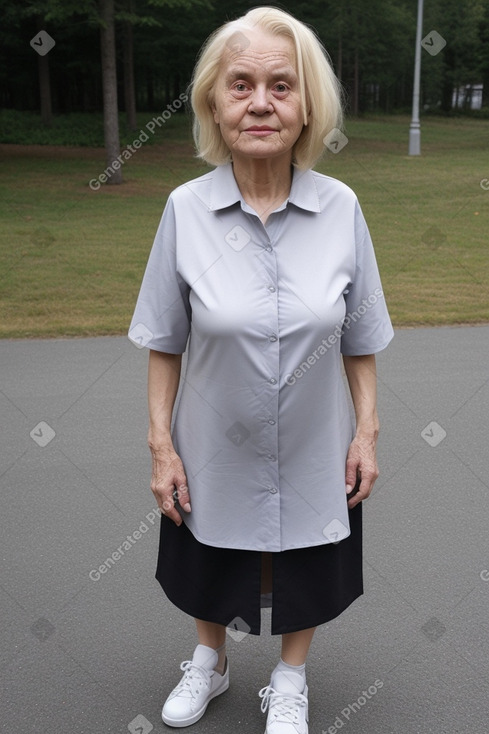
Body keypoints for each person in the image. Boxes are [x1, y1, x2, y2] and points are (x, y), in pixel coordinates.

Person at [129, 7, 394, 733]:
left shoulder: (341, 209)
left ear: (306, 106)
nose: (260, 103)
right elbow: (163, 340)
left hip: (314, 441)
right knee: (210, 554)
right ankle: (209, 664)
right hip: (212, 439)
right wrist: (161, 446)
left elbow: (361, 337)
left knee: (305, 560)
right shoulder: (185, 210)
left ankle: (289, 676)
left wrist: (366, 432)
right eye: (240, 84)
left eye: (281, 86)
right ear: (214, 102)